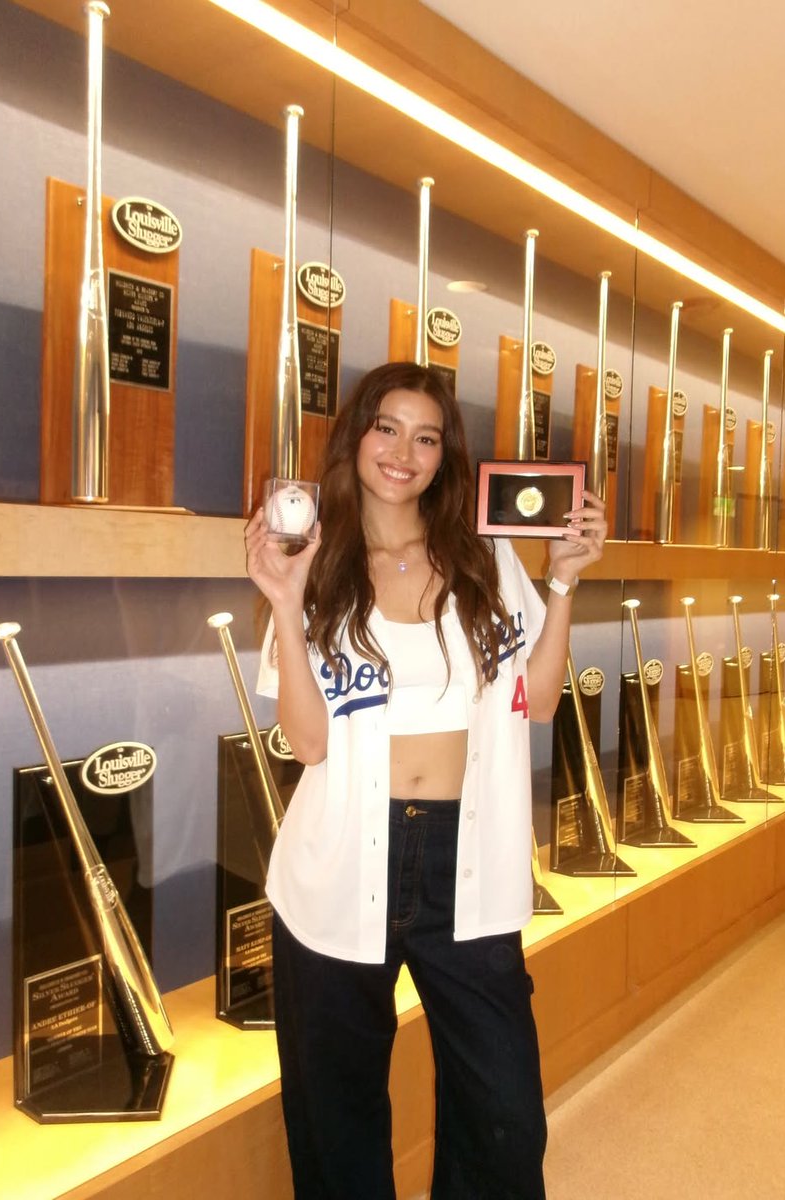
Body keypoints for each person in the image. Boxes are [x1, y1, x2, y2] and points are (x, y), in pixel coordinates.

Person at [245, 361, 607, 1200]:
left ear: (446, 455)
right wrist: (284, 601)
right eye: (386, 428)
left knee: (504, 1113)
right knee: (334, 1116)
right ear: (356, 436)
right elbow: (305, 743)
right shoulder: (314, 560)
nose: (403, 452)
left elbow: (541, 699)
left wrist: (560, 585)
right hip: (339, 862)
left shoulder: (479, 558)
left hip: (466, 860)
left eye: (426, 436)